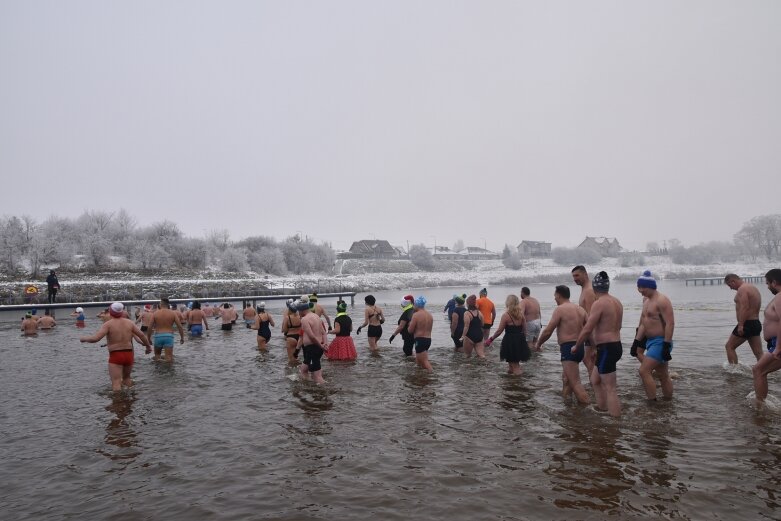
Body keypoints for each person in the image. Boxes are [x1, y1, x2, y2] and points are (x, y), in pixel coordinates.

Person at [573, 271, 623, 417]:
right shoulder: (617, 302)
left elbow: (588, 328)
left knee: (610, 388)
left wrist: (577, 345)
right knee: (595, 379)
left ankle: (615, 423)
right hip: (614, 345)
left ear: (595, 289)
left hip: (607, 348)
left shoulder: (599, 303)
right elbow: (618, 326)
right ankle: (602, 409)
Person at [80, 302, 152, 391]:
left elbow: (96, 338)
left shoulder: (108, 324)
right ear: (121, 312)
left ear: (111, 311)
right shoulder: (129, 323)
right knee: (127, 379)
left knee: (116, 382)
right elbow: (141, 335)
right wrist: (148, 346)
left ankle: (118, 403)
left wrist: (84, 338)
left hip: (116, 354)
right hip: (129, 354)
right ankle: (131, 400)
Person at [536, 285, 589, 403]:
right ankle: (568, 407)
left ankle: (591, 412)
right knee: (566, 379)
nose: (554, 298)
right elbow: (589, 328)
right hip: (580, 347)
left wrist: (538, 344)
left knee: (576, 383)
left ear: (559, 295)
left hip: (568, 348)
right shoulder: (580, 309)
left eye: (555, 295)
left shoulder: (560, 309)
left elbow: (548, 331)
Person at [632, 271, 675, 401]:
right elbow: (644, 325)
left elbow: (670, 323)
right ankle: (668, 401)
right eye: (638, 287)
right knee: (663, 374)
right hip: (650, 341)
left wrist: (666, 344)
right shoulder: (647, 302)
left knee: (644, 371)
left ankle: (652, 402)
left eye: (642, 287)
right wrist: (636, 342)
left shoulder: (662, 300)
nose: (640, 290)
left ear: (650, 286)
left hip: (661, 342)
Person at [752, 269, 781, 403]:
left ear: (774, 282)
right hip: (775, 343)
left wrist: (778, 347)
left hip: (778, 343)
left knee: (758, 370)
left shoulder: (780, 297)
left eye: (768, 283)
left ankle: (760, 408)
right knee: (759, 370)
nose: (767, 286)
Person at [724, 273, 763, 364]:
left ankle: (733, 372)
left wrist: (741, 325)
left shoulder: (742, 289)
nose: (730, 288)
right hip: (755, 323)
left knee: (729, 346)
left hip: (747, 324)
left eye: (730, 285)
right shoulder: (752, 288)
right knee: (758, 353)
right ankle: (765, 372)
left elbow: (745, 307)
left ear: (733, 281)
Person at [487, 295, 531, 375]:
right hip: (520, 340)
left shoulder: (506, 315)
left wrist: (491, 339)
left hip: (510, 341)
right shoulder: (521, 315)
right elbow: (525, 330)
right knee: (511, 365)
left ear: (508, 303)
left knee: (515, 366)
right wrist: (523, 342)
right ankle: (510, 383)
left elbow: (499, 331)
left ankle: (519, 384)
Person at [572, 265, 598, 374]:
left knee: (590, 359)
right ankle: (595, 386)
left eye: (577, 275)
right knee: (588, 360)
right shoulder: (585, 289)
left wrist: (593, 342)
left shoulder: (589, 291)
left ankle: (596, 385)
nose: (575, 278)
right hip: (588, 332)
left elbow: (591, 316)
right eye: (573, 276)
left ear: (585, 274)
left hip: (592, 332)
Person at [298, 298, 328, 384]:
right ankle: (309, 386)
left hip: (313, 348)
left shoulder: (304, 319)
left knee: (317, 376)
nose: (298, 313)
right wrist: (325, 344)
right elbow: (324, 333)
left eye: (299, 311)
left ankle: (326, 390)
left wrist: (321, 346)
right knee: (303, 370)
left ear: (302, 310)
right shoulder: (316, 316)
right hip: (316, 348)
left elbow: (311, 336)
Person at [150, 296, 185, 362]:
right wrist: (182, 337)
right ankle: (168, 371)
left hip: (158, 336)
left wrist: (148, 338)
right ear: (167, 304)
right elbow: (179, 326)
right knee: (169, 358)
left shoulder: (155, 313)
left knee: (157, 356)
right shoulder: (173, 313)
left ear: (161, 304)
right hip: (169, 336)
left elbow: (150, 327)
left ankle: (158, 371)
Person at [407, 296, 433, 372]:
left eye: (414, 304)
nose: (413, 306)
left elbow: (410, 331)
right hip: (428, 340)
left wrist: (409, 325)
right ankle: (419, 375)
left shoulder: (416, 315)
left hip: (420, 340)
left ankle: (432, 375)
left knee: (425, 361)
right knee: (418, 360)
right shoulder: (429, 315)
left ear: (417, 305)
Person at [281, 299, 303, 365]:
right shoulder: (300, 317)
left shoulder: (287, 318)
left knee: (291, 359)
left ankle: (292, 373)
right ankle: (299, 371)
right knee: (296, 356)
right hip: (299, 338)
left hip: (291, 337)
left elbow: (284, 330)